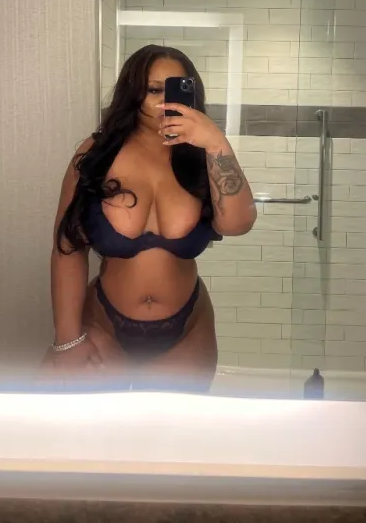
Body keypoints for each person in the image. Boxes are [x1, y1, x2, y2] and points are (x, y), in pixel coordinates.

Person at [41, 44, 256, 392]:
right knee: (87, 425)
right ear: (133, 92)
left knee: (169, 427)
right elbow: (68, 248)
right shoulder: (97, 153)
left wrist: (216, 142)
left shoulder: (204, 155)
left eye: (176, 88)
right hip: (103, 324)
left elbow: (237, 224)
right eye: (154, 90)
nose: (165, 101)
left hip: (187, 330)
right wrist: (67, 341)